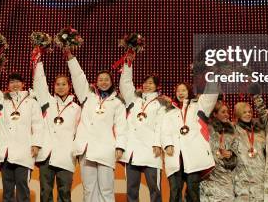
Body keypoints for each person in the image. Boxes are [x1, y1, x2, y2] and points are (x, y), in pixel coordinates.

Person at [66, 49, 128, 202]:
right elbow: (78, 77)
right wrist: (70, 57)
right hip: (86, 149)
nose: (104, 82)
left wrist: (120, 146)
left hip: (106, 149)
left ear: (111, 82)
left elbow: (121, 126)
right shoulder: (88, 97)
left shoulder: (117, 102)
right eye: (101, 79)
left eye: (107, 79)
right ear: (96, 82)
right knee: (89, 189)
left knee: (106, 190)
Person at [0, 64, 44, 202]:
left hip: (24, 152)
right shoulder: (1, 101)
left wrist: (36, 144)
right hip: (6, 153)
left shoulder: (31, 102)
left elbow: (38, 124)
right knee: (7, 190)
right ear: (8, 85)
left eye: (17, 81)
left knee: (23, 189)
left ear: (23, 84)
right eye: (12, 82)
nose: (15, 84)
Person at [31, 53, 81, 202]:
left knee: (64, 193)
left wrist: (76, 151)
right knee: (45, 193)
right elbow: (40, 83)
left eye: (63, 84)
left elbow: (79, 133)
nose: (60, 87)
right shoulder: (48, 102)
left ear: (69, 86)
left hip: (66, 155)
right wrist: (38, 61)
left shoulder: (76, 108)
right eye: (58, 84)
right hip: (47, 154)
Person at [118, 58, 166, 202]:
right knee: (131, 190)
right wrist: (128, 64)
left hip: (151, 151)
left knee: (155, 190)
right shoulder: (134, 100)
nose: (147, 85)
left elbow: (160, 125)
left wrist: (158, 144)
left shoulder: (160, 103)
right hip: (132, 151)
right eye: (145, 82)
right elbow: (125, 84)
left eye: (151, 83)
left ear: (157, 86)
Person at [161, 82, 218, 202]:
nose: (180, 93)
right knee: (174, 193)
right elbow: (164, 132)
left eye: (183, 90)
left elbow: (211, 96)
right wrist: (167, 144)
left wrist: (213, 74)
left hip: (193, 157)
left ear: (189, 92)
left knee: (193, 192)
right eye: (178, 91)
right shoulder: (170, 112)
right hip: (175, 157)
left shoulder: (199, 107)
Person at [199, 100, 238, 201]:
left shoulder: (232, 131)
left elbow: (236, 151)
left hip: (226, 176)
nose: (227, 115)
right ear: (215, 114)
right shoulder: (207, 129)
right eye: (223, 112)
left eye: (227, 112)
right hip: (210, 175)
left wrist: (231, 154)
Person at [232, 101, 266, 202]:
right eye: (244, 112)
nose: (248, 114)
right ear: (238, 114)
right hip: (241, 176)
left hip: (259, 175)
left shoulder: (259, 131)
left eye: (249, 112)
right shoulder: (233, 129)